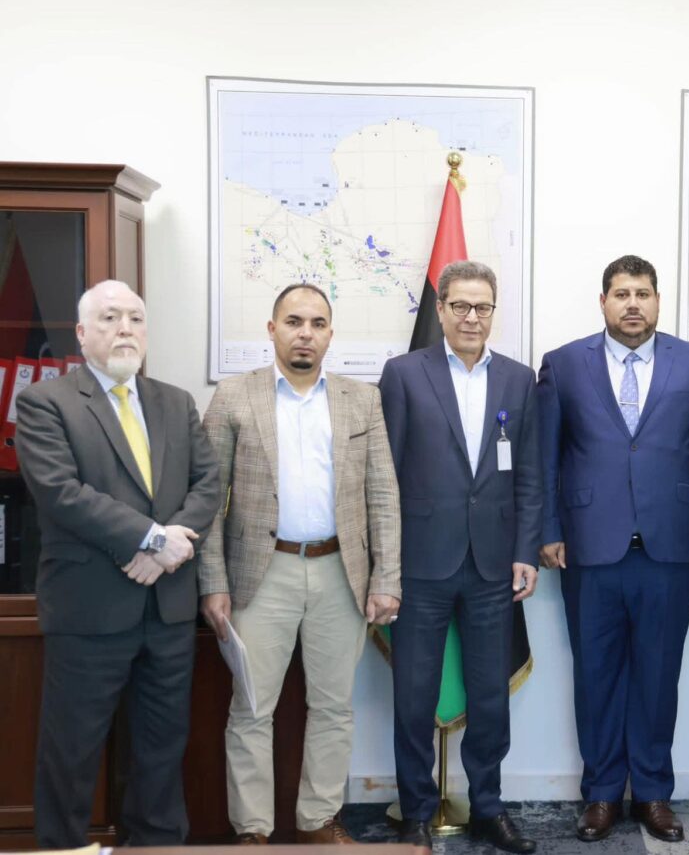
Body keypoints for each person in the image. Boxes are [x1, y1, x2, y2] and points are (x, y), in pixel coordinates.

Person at [538, 254, 689, 843]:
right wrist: (547, 529)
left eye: (643, 294)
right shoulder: (562, 364)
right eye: (622, 294)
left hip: (669, 548)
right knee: (595, 675)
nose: (633, 304)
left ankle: (652, 793)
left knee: (657, 675)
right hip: (588, 548)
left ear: (657, 301)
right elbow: (543, 458)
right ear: (603, 301)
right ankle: (601, 794)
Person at [16, 280, 221, 846]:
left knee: (161, 749)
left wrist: (166, 552)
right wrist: (153, 540)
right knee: (72, 751)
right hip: (89, 610)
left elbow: (208, 483)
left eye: (135, 317)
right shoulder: (46, 402)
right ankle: (64, 850)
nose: (125, 328)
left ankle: (155, 847)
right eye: (109, 318)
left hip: (168, 611)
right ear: (82, 334)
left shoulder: (175, 402)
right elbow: (61, 493)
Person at [199, 283, 401, 844]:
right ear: (272, 330)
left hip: (341, 572)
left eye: (316, 323)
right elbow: (208, 500)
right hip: (260, 575)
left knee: (334, 707)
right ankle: (253, 832)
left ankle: (318, 823)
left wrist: (386, 576)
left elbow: (383, 494)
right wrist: (212, 581)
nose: (305, 333)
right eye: (293, 322)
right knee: (251, 708)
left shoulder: (362, 400)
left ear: (330, 334)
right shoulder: (234, 397)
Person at [379, 261, 541, 853]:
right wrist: (385, 563)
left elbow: (529, 474)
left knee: (489, 695)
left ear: (494, 312)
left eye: (483, 307)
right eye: (461, 306)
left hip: (493, 564)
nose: (472, 317)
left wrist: (526, 551)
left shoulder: (519, 379)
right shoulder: (404, 374)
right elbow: (384, 476)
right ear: (441, 310)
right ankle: (417, 812)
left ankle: (488, 808)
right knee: (414, 696)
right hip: (420, 562)